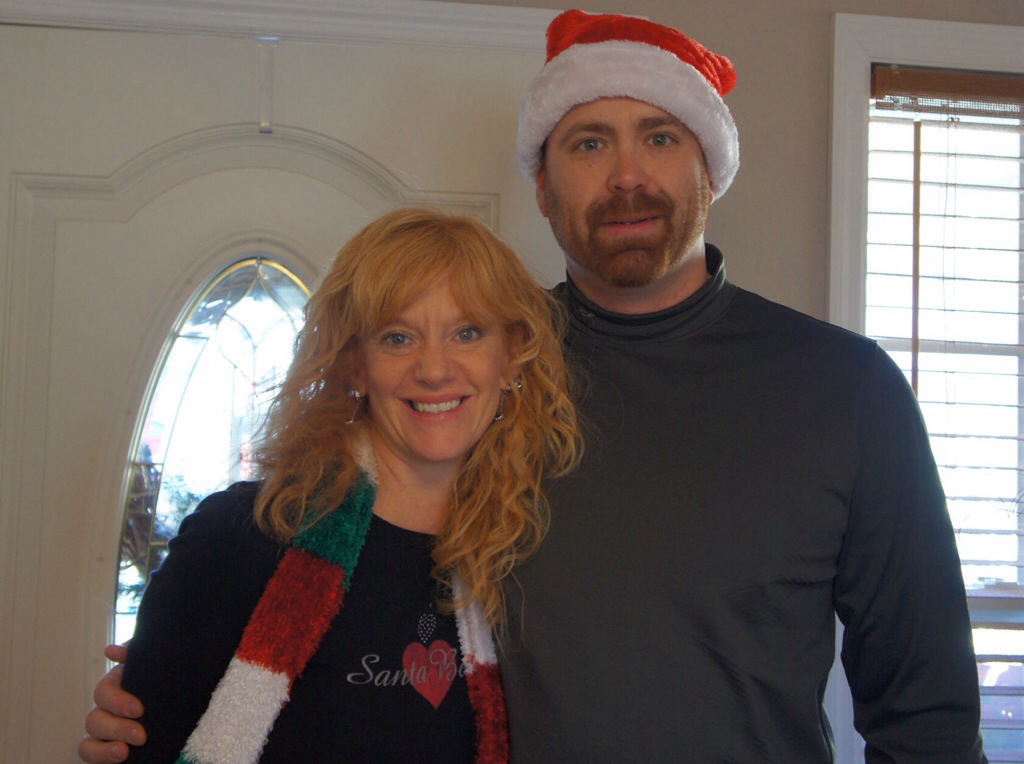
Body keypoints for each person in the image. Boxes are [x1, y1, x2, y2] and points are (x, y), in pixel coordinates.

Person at [81, 9, 988, 763]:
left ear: (708, 168)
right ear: (545, 188)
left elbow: (928, 718)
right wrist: (174, 676)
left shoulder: (846, 391)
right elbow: (346, 557)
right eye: (589, 142)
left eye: (660, 137)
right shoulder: (484, 376)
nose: (626, 175)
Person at [87, 207, 579, 763]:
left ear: (511, 357)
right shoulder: (239, 534)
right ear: (354, 365)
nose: (435, 369)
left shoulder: (526, 552)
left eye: (467, 333)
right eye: (398, 337)